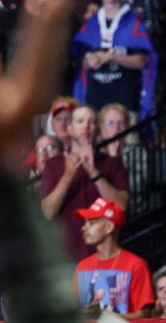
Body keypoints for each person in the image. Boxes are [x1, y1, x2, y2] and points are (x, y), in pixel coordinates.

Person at [41, 105, 129, 261]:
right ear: (70, 128)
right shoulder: (54, 164)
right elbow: (48, 212)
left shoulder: (112, 163)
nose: (86, 126)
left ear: (97, 128)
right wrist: (68, 175)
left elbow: (121, 206)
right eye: (80, 121)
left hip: (104, 256)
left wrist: (94, 172)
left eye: (91, 122)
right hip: (67, 255)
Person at [71, 0, 157, 119]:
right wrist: (89, 61)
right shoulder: (90, 25)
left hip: (126, 105)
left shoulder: (133, 22)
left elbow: (144, 61)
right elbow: (79, 65)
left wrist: (112, 57)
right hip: (94, 105)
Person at [72, 197, 155, 318]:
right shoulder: (83, 266)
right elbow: (73, 310)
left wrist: (106, 318)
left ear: (109, 227)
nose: (84, 228)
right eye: (85, 223)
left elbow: (144, 314)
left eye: (91, 223)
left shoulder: (135, 265)